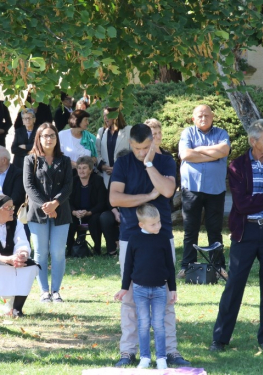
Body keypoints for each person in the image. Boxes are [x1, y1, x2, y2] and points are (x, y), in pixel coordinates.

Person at [110, 123, 190, 367]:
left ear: (152, 143)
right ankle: (128, 351)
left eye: (145, 147)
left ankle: (171, 352)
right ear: (130, 144)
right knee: (130, 297)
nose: (140, 152)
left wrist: (148, 164)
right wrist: (146, 198)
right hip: (130, 236)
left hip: (161, 235)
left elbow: (166, 190)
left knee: (165, 297)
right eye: (136, 148)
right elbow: (115, 198)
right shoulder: (123, 163)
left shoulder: (164, 162)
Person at [210, 120, 263, 351]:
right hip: (245, 232)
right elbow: (243, 204)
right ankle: (220, 338)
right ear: (252, 141)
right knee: (234, 284)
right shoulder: (237, 165)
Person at [115, 204, 177, 370]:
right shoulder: (134, 239)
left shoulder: (163, 238)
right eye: (153, 224)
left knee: (159, 324)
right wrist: (124, 288)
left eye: (158, 222)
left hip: (159, 290)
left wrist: (173, 289)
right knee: (143, 324)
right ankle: (144, 357)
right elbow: (128, 266)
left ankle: (162, 358)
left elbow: (170, 266)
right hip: (140, 289)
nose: (158, 226)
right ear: (141, 225)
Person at [177, 105, 230, 279]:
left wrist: (198, 150)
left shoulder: (221, 133)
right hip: (191, 187)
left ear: (212, 117)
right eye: (199, 116)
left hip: (215, 189)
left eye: (207, 115)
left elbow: (224, 150)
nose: (203, 118)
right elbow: (185, 154)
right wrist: (212, 154)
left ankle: (218, 267)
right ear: (193, 119)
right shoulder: (187, 133)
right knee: (190, 229)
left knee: (215, 230)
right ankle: (187, 266)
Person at [23, 123, 72, 303]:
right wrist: (47, 206)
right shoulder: (30, 160)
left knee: (58, 252)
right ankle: (44, 291)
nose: (49, 139)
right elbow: (29, 186)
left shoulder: (65, 160)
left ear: (57, 138)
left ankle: (56, 291)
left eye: (52, 135)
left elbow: (68, 186)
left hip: (61, 212)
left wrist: (55, 204)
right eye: (45, 136)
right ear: (39, 138)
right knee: (41, 253)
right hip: (38, 213)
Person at [0, 195, 39, 319]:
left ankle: (17, 310)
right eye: (8, 208)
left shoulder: (17, 223)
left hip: (12, 259)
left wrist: (21, 255)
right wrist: (7, 259)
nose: (13, 210)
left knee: (30, 267)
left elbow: (22, 243)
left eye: (13, 207)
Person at [67, 156, 107, 255]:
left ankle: (97, 248)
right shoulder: (73, 181)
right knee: (68, 219)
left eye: (84, 168)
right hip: (76, 212)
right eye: (79, 168)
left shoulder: (98, 180)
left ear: (90, 169)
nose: (81, 171)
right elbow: (68, 201)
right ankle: (70, 248)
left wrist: (89, 212)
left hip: (93, 212)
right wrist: (74, 212)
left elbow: (102, 202)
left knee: (95, 219)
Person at [96, 107, 131, 187]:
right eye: (103, 116)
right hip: (106, 177)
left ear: (115, 115)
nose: (105, 118)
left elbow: (133, 151)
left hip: (124, 176)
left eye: (107, 116)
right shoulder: (101, 131)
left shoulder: (128, 130)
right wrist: (103, 166)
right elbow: (97, 151)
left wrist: (117, 168)